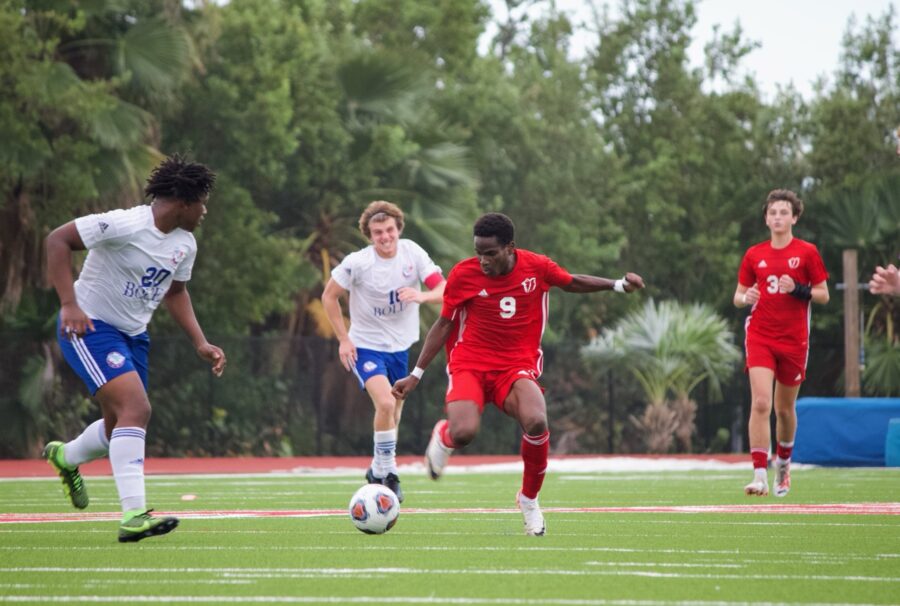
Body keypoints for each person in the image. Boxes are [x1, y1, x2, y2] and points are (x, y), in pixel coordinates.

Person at [392, 212, 644, 535]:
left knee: (537, 420)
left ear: (510, 247)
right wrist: (416, 374)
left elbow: (571, 281)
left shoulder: (536, 267)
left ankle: (528, 499)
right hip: (469, 363)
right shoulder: (463, 274)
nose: (483, 260)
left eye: (491, 253)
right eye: (478, 252)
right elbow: (444, 324)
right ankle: (444, 436)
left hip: (516, 366)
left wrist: (618, 286)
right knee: (465, 433)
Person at [44, 154, 226, 542]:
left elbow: (176, 293)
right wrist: (69, 305)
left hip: (133, 336)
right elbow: (57, 240)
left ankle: (68, 456)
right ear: (182, 202)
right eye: (202, 202)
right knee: (137, 409)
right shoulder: (125, 223)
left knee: (118, 427)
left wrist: (200, 341)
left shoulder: (184, 244)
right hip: (88, 327)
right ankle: (134, 516)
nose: (205, 210)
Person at [322, 201, 445, 502]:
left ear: (399, 229)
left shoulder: (412, 253)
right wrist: (343, 339)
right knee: (387, 404)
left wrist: (422, 295)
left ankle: (376, 469)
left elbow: (444, 288)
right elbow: (329, 296)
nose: (385, 237)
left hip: (400, 348)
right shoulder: (358, 262)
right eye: (378, 232)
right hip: (365, 347)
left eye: (389, 230)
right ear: (369, 235)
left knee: (393, 412)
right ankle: (389, 475)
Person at [733, 189, 829, 498]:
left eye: (784, 212)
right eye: (772, 212)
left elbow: (823, 294)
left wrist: (798, 289)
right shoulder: (754, 254)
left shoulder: (807, 252)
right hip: (760, 334)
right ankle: (759, 475)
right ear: (766, 218)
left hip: (794, 340)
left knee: (784, 409)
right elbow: (738, 295)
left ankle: (783, 466)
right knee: (761, 402)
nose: (778, 217)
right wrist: (744, 298)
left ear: (795, 217)